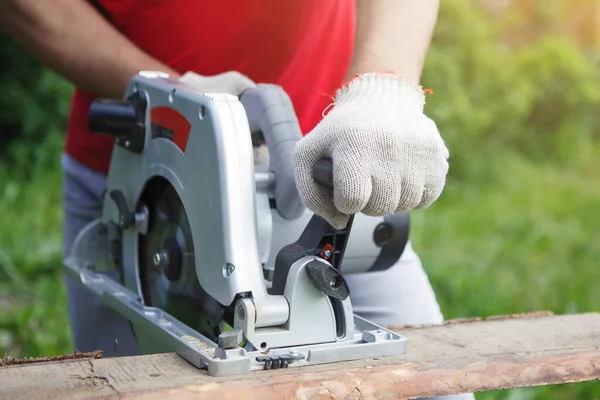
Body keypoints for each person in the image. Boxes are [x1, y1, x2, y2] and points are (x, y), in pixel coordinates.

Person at [1, 1, 473, 398]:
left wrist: (380, 91)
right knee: (122, 385)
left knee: (434, 388)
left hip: (323, 176)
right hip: (138, 169)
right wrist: (179, 95)